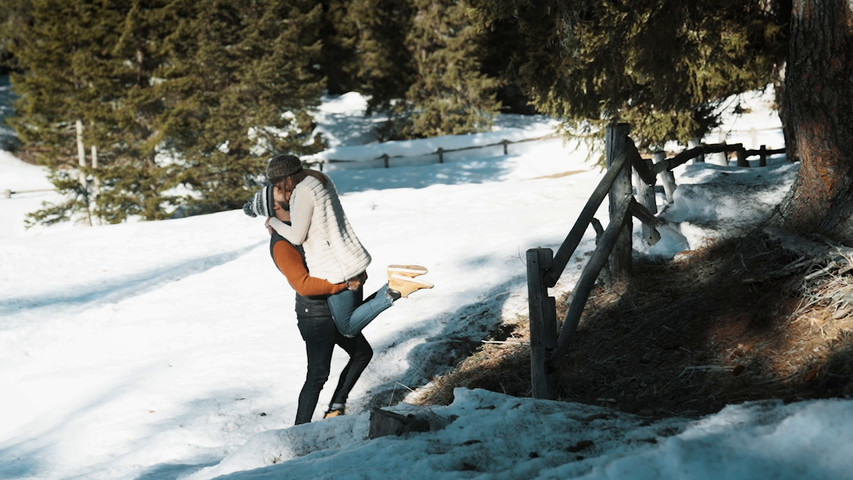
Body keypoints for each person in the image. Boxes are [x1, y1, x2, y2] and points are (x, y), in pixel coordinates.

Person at [263, 153, 433, 337]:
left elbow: (297, 236)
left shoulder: (303, 191)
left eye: (278, 184)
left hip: (335, 266)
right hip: (348, 255)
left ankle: (395, 290)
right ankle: (395, 282)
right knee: (355, 314)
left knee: (348, 329)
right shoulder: (319, 180)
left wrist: (273, 222)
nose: (280, 189)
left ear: (286, 178)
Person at [243, 184, 370, 423]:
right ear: (276, 207)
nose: (290, 193)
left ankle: (336, 406)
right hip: (316, 316)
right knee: (318, 375)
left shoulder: (300, 227)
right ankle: (299, 430)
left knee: (362, 353)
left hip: (332, 306)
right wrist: (344, 285)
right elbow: (303, 284)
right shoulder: (282, 244)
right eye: (282, 192)